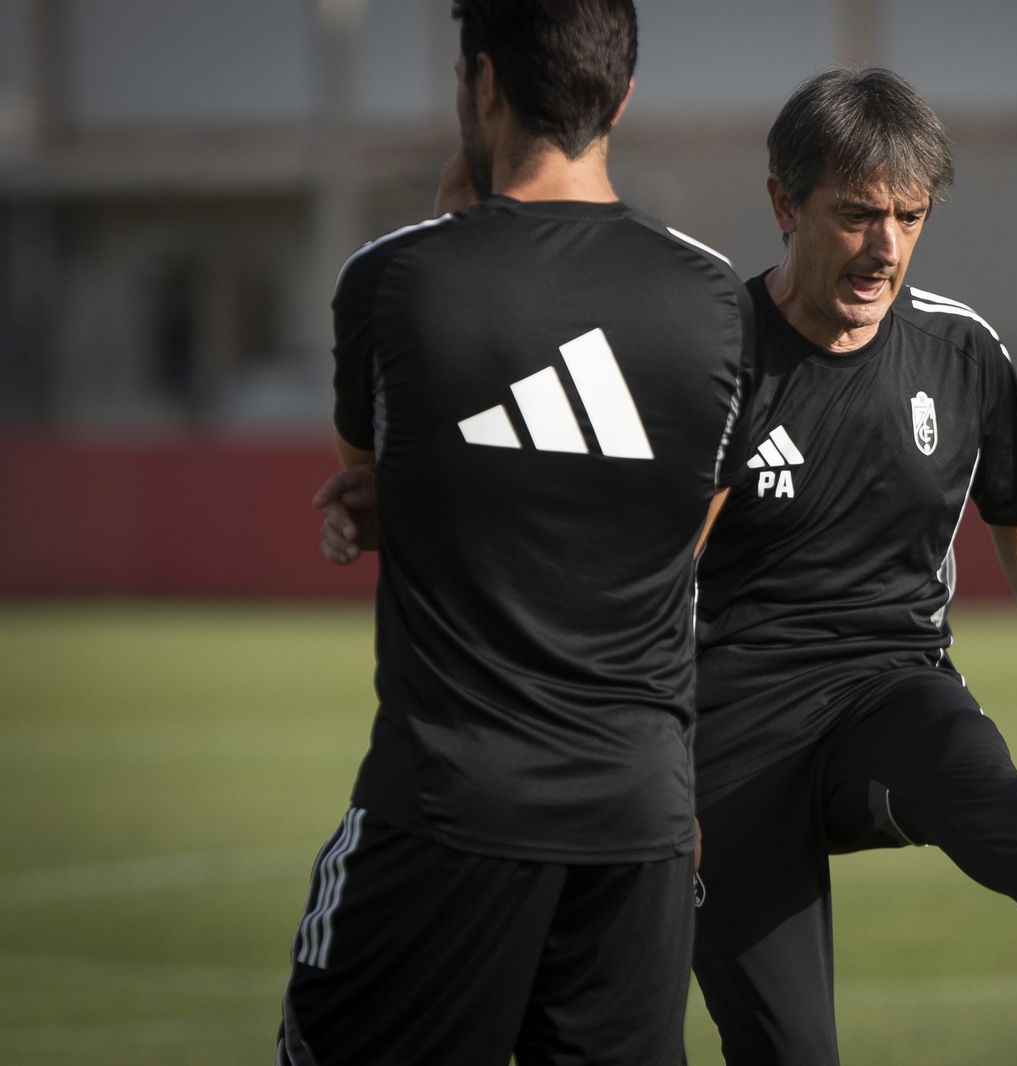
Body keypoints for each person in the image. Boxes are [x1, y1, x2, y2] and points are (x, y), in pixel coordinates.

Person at [318, 68, 1017, 1066]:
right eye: (856, 215)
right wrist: (650, 772)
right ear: (784, 203)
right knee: (790, 1050)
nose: (885, 247)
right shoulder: (710, 357)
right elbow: (636, 566)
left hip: (883, 692)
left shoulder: (962, 353)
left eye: (909, 217)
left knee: (949, 741)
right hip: (723, 747)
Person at [278, 2, 749, 1064]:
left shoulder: (391, 280)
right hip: (640, 824)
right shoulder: (718, 301)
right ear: (622, 97)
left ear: (483, 84)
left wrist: (458, 215)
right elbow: (685, 536)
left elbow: (373, 472)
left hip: (450, 812)